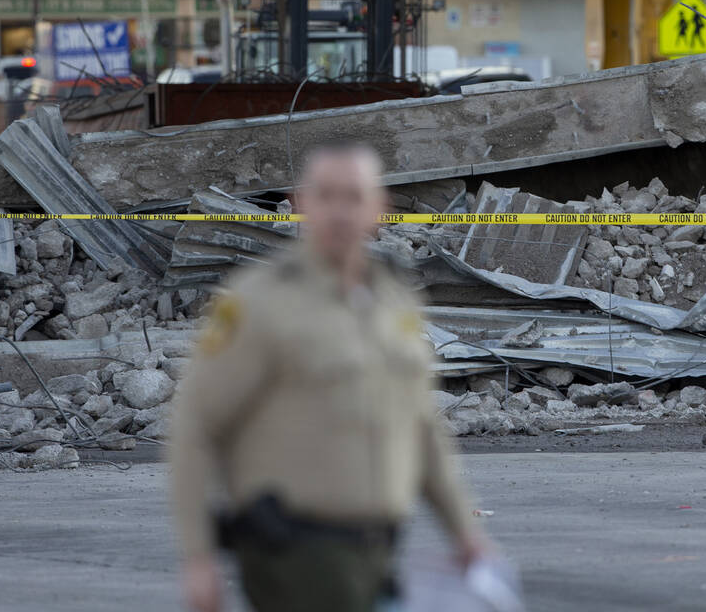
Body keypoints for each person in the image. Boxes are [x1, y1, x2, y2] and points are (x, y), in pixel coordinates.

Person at [169, 142, 489, 612]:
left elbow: (421, 428)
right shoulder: (259, 302)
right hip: (293, 554)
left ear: (378, 208)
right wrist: (198, 556)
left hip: (376, 551)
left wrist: (465, 532)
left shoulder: (393, 301)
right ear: (302, 204)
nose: (340, 212)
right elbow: (198, 426)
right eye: (326, 195)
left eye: (353, 197)